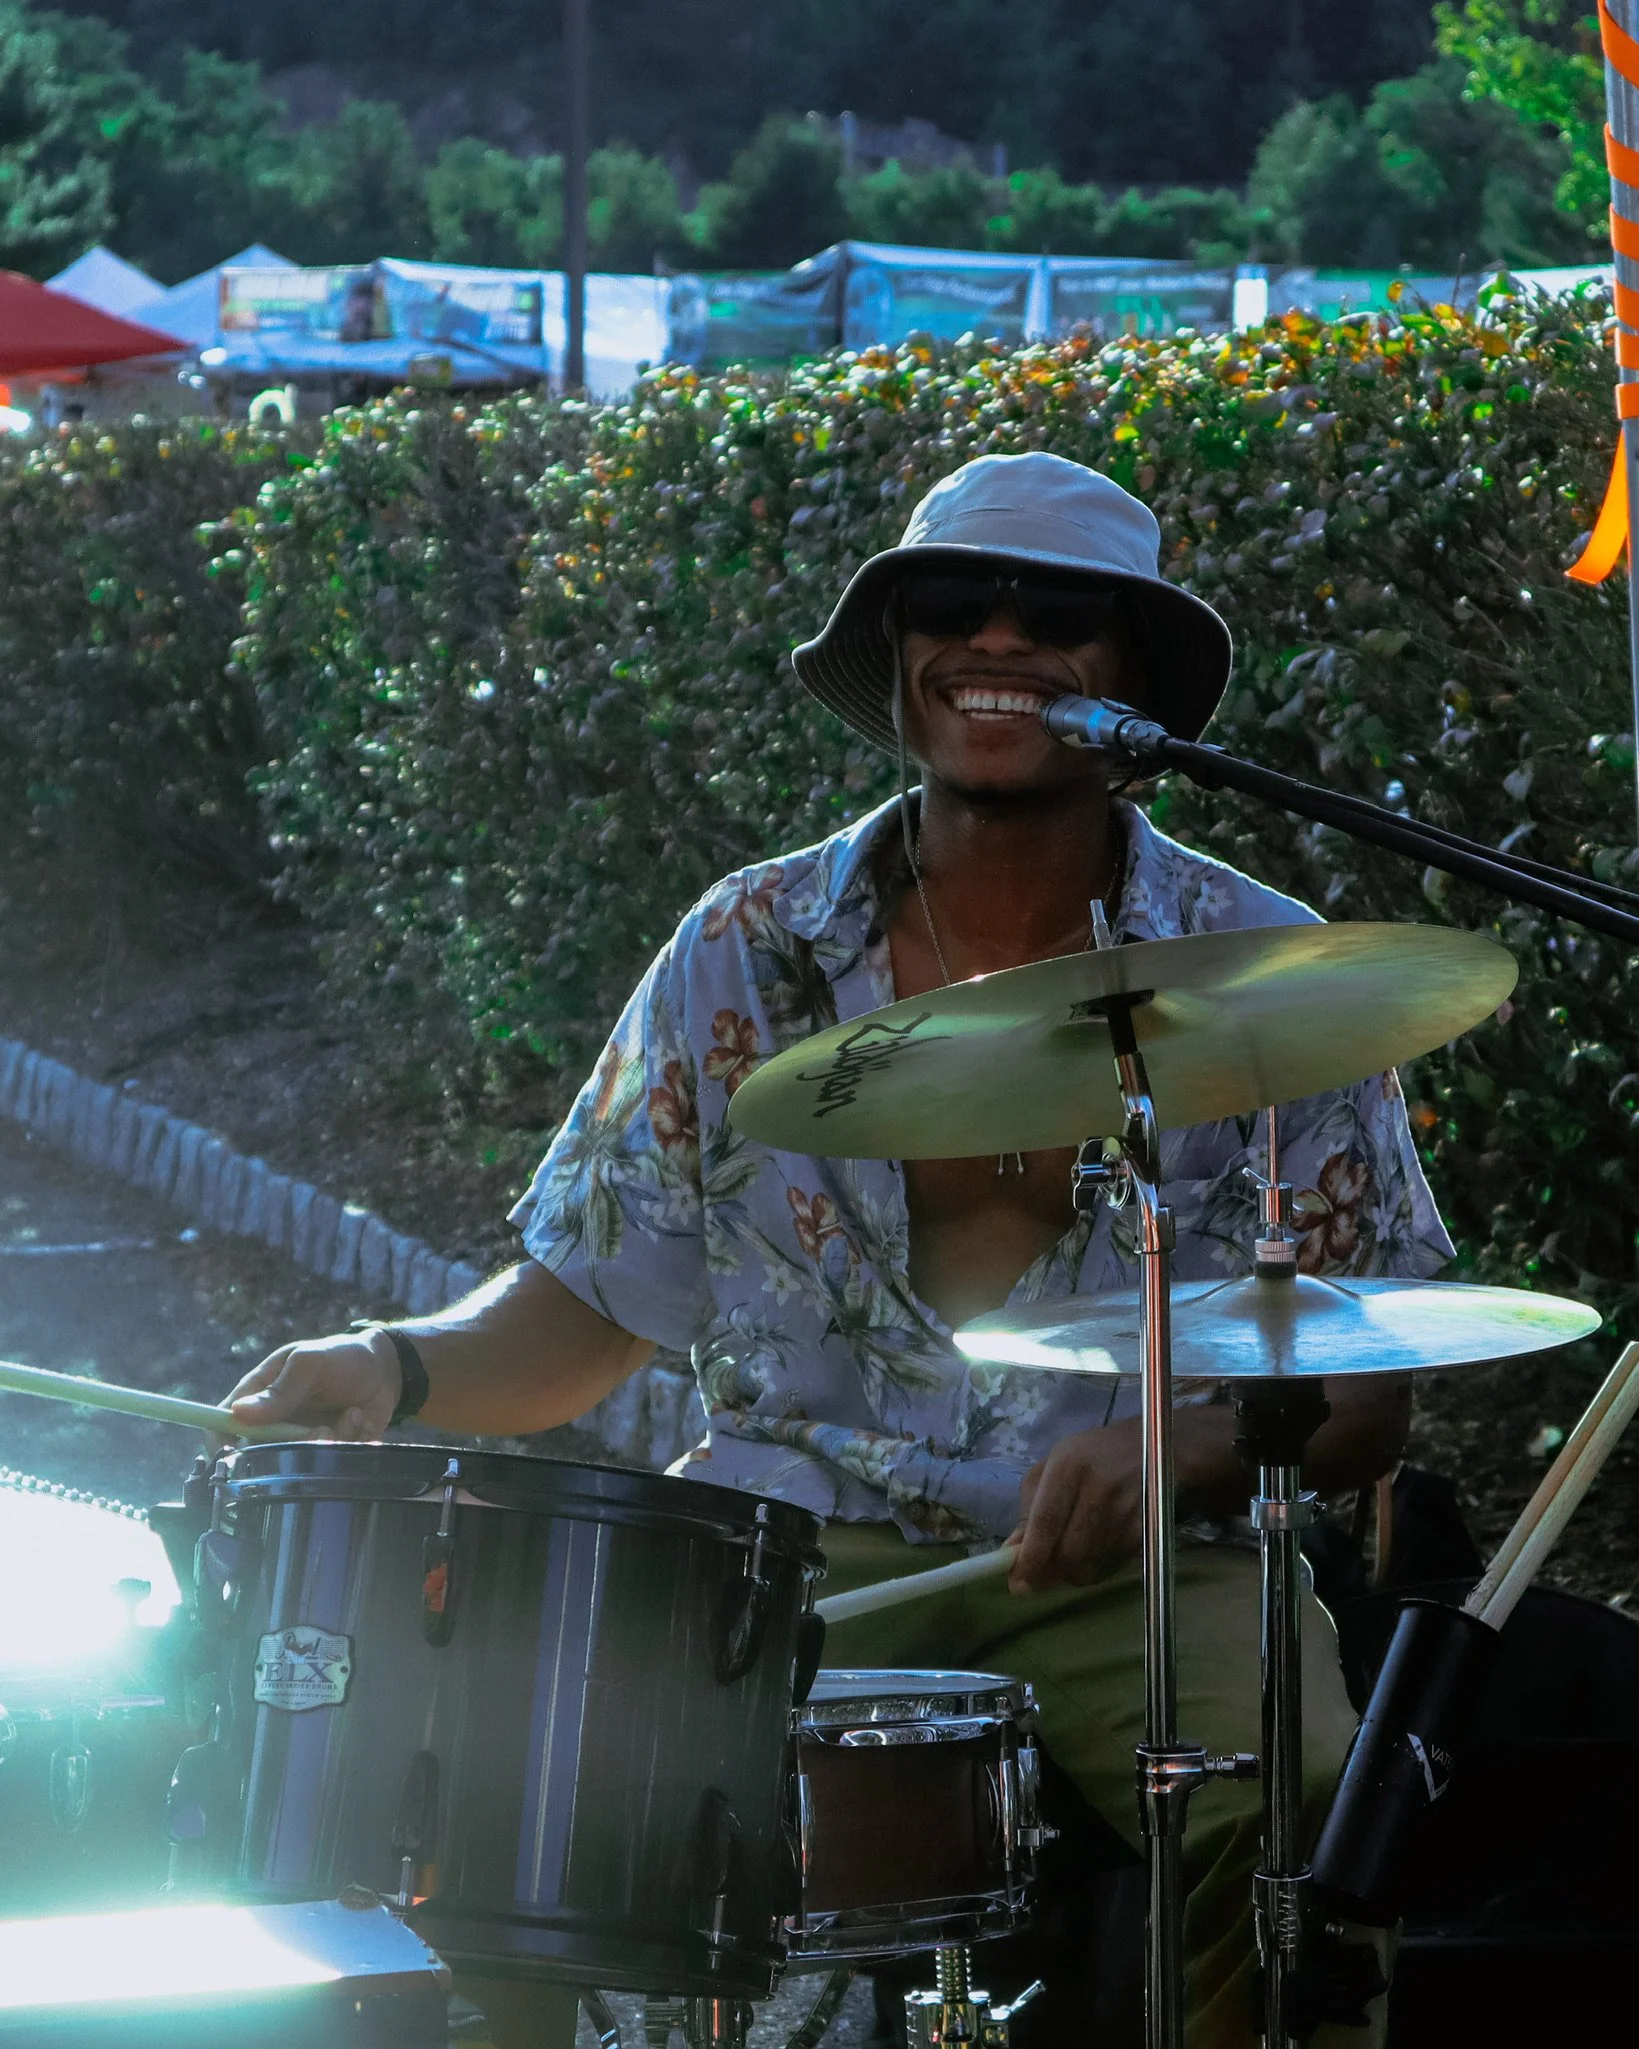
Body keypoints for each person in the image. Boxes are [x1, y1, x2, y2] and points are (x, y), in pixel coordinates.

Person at [224, 452, 1448, 2046]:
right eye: (951, 604)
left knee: (1289, 1809)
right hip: (776, 1540)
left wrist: (1189, 1451)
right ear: (894, 659)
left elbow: (1373, 1382)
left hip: (1137, 1566)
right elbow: (586, 1310)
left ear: (1131, 679)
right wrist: (389, 1369)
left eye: (1059, 613)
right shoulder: (741, 949)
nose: (998, 639)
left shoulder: (1272, 976)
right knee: (519, 1793)